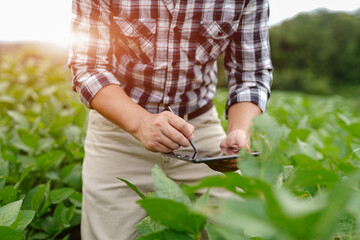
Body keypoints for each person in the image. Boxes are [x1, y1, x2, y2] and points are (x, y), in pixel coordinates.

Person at [68, 0, 272, 239]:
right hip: (119, 127)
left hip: (199, 130)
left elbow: (250, 74)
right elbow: (88, 68)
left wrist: (239, 131)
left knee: (238, 229)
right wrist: (141, 123)